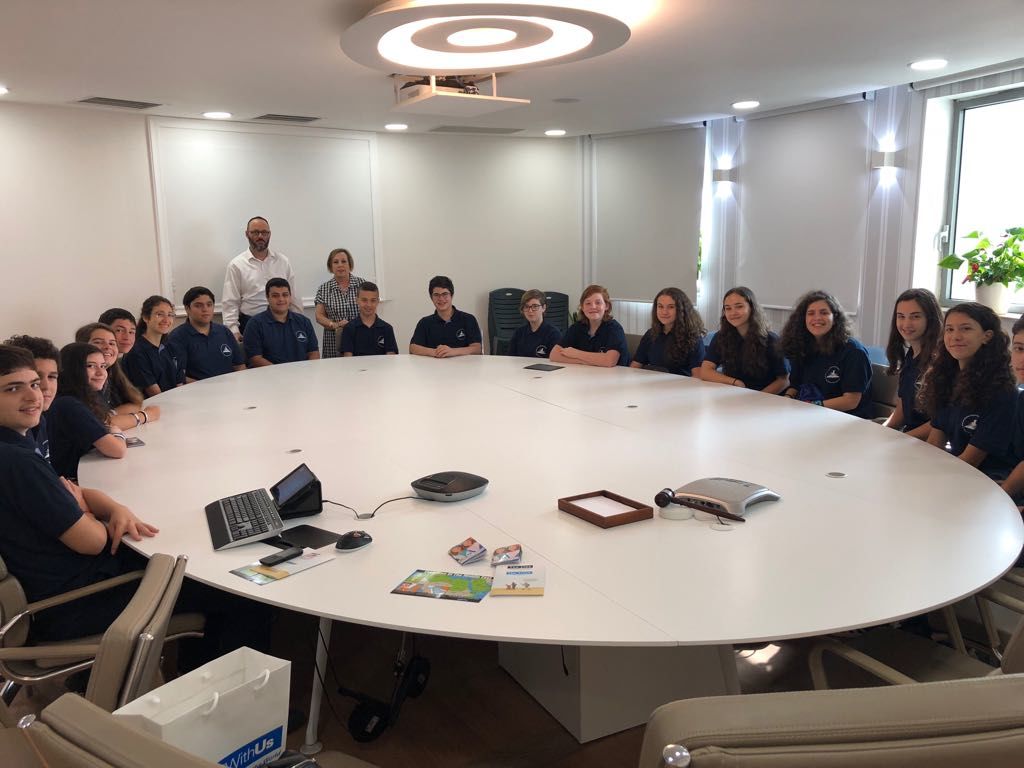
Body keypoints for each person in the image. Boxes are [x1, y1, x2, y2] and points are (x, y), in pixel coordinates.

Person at [919, 302, 1016, 479]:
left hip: (990, 479)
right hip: (958, 469)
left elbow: (971, 461)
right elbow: (935, 440)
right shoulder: (946, 378)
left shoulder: (1002, 391)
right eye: (949, 329)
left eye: (965, 329)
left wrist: (929, 478)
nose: (955, 336)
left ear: (987, 336)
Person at [781, 290, 872, 417]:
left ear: (835, 318)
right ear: (803, 319)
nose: (817, 318)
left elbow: (851, 401)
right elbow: (795, 385)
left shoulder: (854, 352)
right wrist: (787, 399)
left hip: (846, 419)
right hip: (810, 413)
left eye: (824, 313)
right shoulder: (802, 346)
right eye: (811, 313)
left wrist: (811, 406)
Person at [47, 342, 128, 479]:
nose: (101, 373)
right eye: (90, 366)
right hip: (73, 481)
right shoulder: (69, 404)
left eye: (103, 366)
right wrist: (117, 433)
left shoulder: (87, 396)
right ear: (72, 369)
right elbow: (117, 450)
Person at [222, 216, 302, 341]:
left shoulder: (283, 261)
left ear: (269, 234)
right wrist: (233, 331)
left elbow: (294, 296)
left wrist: (298, 323)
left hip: (283, 322)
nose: (260, 236)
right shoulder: (236, 265)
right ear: (247, 234)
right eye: (255, 232)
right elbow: (230, 302)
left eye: (264, 232)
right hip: (251, 325)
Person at [701, 286, 788, 393]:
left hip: (765, 396)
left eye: (739, 307)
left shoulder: (771, 340)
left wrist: (758, 397)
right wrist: (735, 382)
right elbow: (705, 371)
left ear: (752, 308)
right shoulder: (721, 337)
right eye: (728, 308)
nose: (733, 313)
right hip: (735, 393)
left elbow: (784, 380)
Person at [882, 288, 942, 439]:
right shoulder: (910, 355)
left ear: (930, 319)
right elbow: (901, 410)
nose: (906, 323)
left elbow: (940, 423)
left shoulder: (940, 360)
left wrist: (900, 439)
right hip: (907, 436)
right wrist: (882, 431)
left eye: (915, 316)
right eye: (901, 316)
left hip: (926, 443)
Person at [75, 323, 158, 431]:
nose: (107, 347)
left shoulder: (110, 372)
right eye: (98, 342)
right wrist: (145, 416)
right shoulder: (82, 379)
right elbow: (99, 425)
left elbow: (135, 403)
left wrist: (111, 414)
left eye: (112, 343)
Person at [166, 286, 245, 381]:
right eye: (198, 305)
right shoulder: (177, 338)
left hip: (230, 386)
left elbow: (239, 366)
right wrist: (206, 388)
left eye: (209, 304)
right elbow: (179, 377)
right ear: (187, 309)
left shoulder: (224, 331)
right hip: (198, 389)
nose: (205, 309)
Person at [243, 278, 320, 366]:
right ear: (267, 297)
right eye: (275, 296)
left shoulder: (304, 322)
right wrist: (280, 372)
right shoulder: (254, 324)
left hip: (302, 372)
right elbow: (255, 359)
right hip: (269, 373)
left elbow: (314, 352)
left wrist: (308, 370)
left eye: (285, 295)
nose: (281, 299)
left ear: (290, 297)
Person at [630, 287, 704, 376]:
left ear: (681, 310)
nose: (664, 312)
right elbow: (635, 366)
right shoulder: (651, 334)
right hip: (653, 382)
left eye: (671, 307)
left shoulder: (693, 338)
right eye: (660, 306)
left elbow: (697, 376)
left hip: (681, 384)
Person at [550, 284, 630, 367]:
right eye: (588, 303)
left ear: (606, 306)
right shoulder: (577, 327)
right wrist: (584, 361)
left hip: (615, 374)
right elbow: (554, 355)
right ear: (582, 307)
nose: (593, 307)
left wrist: (576, 353)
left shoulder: (614, 328)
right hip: (586, 373)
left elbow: (609, 361)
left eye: (598, 303)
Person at [122, 295, 185, 397]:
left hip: (175, 400)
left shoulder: (171, 346)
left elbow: (180, 384)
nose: (166, 320)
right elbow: (154, 393)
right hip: (154, 403)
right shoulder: (136, 352)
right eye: (159, 314)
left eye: (170, 315)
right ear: (146, 318)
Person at [409, 276, 483, 357]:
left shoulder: (468, 319)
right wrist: (435, 352)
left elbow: (477, 349)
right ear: (431, 298)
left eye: (445, 294)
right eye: (436, 295)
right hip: (434, 364)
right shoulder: (425, 322)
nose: (441, 298)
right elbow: (413, 348)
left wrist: (453, 351)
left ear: (452, 295)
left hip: (462, 364)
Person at [315, 248, 364, 359]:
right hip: (333, 340)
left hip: (360, 337)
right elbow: (319, 316)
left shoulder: (362, 284)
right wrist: (335, 325)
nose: (340, 265)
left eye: (344, 261)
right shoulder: (324, 288)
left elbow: (370, 309)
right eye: (336, 262)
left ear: (350, 264)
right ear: (330, 266)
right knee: (335, 369)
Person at [341, 281, 398, 356]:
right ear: (357, 301)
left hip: (381, 364)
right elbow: (348, 359)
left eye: (373, 300)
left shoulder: (387, 328)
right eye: (364, 300)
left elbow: (391, 357)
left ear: (378, 301)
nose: (369, 305)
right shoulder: (349, 328)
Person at [509, 289, 561, 358]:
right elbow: (511, 358)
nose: (530, 310)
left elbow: (556, 360)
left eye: (535, 306)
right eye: (526, 307)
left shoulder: (553, 334)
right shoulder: (519, 333)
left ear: (543, 308)